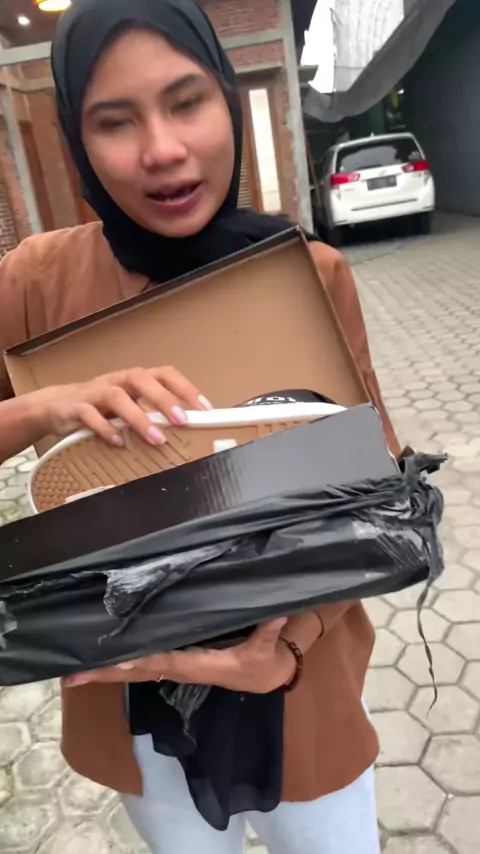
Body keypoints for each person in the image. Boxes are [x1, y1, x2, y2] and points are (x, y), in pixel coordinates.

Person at [0, 1, 400, 851]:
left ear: (228, 97)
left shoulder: (307, 273)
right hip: (131, 704)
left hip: (300, 695)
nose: (162, 150)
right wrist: (45, 405)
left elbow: (380, 487)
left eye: (187, 102)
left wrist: (290, 645)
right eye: (115, 121)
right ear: (75, 138)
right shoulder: (35, 282)